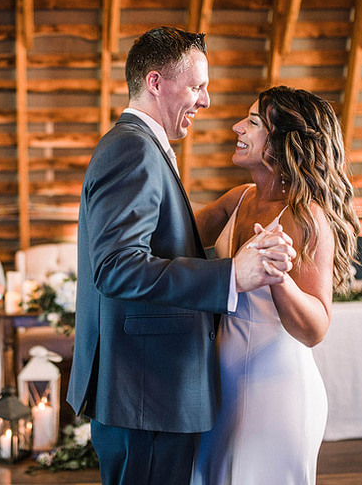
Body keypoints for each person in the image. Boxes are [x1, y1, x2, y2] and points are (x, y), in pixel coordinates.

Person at [67, 26, 296, 485]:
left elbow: (158, 247)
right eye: (196, 86)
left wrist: (223, 233)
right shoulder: (133, 149)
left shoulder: (141, 147)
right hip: (148, 391)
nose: (207, 101)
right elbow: (116, 268)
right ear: (155, 83)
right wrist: (232, 274)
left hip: (146, 389)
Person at [191, 86, 360, 484]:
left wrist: (279, 279)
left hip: (277, 391)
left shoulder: (307, 217)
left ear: (283, 141)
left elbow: (315, 328)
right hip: (221, 386)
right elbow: (173, 239)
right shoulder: (238, 198)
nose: (237, 127)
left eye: (251, 122)